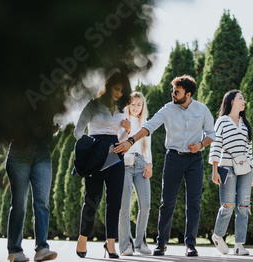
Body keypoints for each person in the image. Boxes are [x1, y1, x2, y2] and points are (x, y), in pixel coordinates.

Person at [114, 75, 215, 257]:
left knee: (193, 203)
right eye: (172, 91)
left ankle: (190, 244)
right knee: (167, 202)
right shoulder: (168, 109)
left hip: (194, 160)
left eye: (177, 92)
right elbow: (149, 126)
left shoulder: (202, 110)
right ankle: (161, 243)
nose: (173, 94)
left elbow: (211, 134)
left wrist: (200, 144)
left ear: (188, 93)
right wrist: (130, 140)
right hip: (173, 158)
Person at [74, 71, 132, 259]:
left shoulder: (123, 108)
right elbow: (78, 131)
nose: (119, 94)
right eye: (116, 89)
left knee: (114, 201)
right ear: (108, 87)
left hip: (116, 155)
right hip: (96, 153)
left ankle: (111, 243)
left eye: (122, 91)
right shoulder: (93, 104)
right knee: (92, 198)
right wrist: (92, 149)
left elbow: (120, 138)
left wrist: (127, 131)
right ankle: (83, 238)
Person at [209, 90, 253, 256]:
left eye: (243, 98)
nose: (244, 101)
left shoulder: (245, 123)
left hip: (245, 169)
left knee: (243, 206)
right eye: (240, 98)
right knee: (228, 204)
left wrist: (252, 172)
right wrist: (214, 170)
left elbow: (249, 150)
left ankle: (239, 244)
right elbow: (215, 146)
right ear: (231, 102)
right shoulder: (222, 121)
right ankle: (218, 235)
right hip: (226, 167)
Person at [6, 124, 59, 262]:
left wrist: (51, 129)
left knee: (42, 203)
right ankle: (14, 250)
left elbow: (48, 137)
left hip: (42, 154)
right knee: (19, 205)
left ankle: (42, 248)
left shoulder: (48, 105)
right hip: (18, 154)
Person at [118, 92, 153, 256]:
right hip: (124, 163)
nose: (135, 107)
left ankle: (139, 242)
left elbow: (148, 147)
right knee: (125, 207)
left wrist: (149, 163)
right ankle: (126, 245)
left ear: (143, 107)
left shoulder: (145, 123)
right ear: (127, 105)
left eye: (139, 104)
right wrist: (127, 131)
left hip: (141, 163)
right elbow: (119, 141)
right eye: (132, 103)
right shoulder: (122, 120)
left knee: (145, 205)